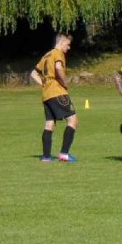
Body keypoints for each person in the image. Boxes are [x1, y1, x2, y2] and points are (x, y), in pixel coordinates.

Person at [30, 33, 78, 162]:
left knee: (49, 123)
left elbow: (33, 73)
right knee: (73, 121)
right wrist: (65, 83)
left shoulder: (46, 55)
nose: (69, 48)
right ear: (61, 42)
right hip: (57, 92)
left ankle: (46, 157)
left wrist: (44, 84)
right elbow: (58, 68)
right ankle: (64, 154)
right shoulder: (58, 53)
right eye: (68, 45)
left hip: (46, 94)